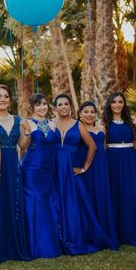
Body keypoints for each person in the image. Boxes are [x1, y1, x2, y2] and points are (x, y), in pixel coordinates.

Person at [53, 94, 112, 255]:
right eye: (60, 104)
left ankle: (75, 237)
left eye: (66, 104)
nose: (64, 107)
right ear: (55, 107)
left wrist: (84, 168)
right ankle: (57, 239)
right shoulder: (51, 124)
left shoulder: (78, 124)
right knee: (56, 202)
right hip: (54, 168)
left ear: (71, 106)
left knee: (74, 203)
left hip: (71, 169)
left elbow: (92, 146)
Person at [0, 84, 31, 261]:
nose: (2, 99)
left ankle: (13, 245)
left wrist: (27, 132)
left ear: (10, 100)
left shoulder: (18, 119)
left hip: (12, 163)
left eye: (5, 96)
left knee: (13, 201)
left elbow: (22, 145)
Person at [103, 92, 136, 247]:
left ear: (124, 104)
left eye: (120, 102)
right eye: (114, 102)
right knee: (114, 196)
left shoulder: (133, 120)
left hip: (129, 160)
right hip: (111, 161)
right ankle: (116, 234)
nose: (117, 105)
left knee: (132, 195)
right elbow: (102, 146)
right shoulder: (105, 122)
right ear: (109, 104)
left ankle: (133, 234)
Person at [18, 93, 61, 259]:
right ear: (32, 107)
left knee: (48, 203)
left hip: (48, 170)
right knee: (34, 204)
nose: (42, 107)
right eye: (38, 105)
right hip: (31, 170)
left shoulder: (53, 124)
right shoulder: (26, 123)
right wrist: (28, 133)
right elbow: (22, 146)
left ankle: (48, 244)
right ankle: (33, 245)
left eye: (44, 104)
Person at [75, 101, 119, 250]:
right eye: (85, 111)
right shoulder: (76, 128)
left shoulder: (102, 128)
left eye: (92, 111)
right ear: (79, 114)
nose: (89, 114)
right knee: (86, 199)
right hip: (83, 166)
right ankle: (88, 234)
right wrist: (81, 168)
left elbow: (104, 147)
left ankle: (103, 232)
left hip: (100, 168)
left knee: (100, 197)